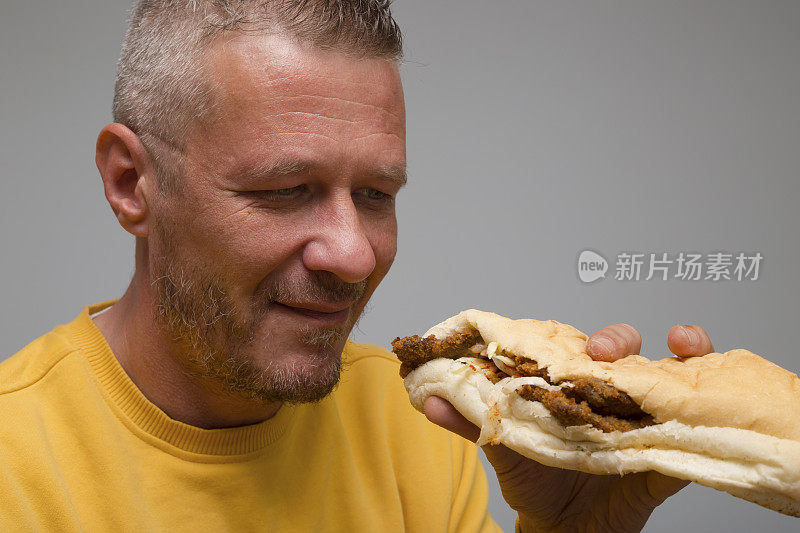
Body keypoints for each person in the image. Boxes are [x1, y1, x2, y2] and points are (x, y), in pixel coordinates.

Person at [0, 1, 716, 531]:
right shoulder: (16, 466)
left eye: (375, 194)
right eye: (285, 190)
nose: (354, 253)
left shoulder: (415, 421)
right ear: (131, 182)